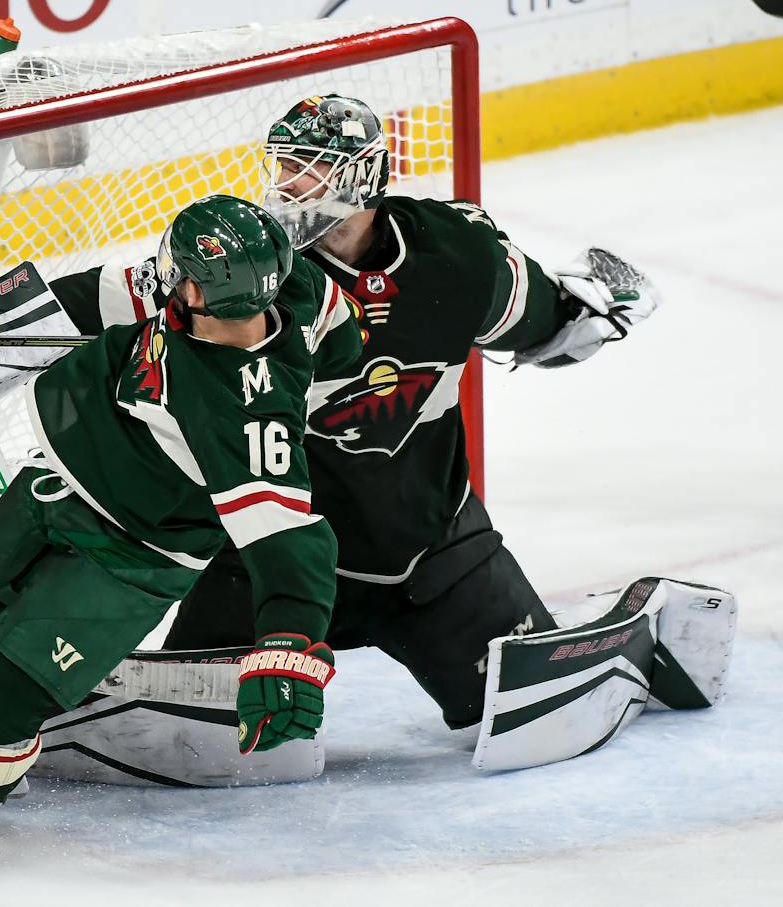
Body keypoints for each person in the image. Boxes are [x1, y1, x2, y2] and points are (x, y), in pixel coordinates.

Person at [49, 94, 659, 742]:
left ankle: (633, 629)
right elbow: (113, 294)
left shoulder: (462, 253)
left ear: (361, 173)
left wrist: (588, 315)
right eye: (282, 165)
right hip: (276, 559)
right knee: (195, 735)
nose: (286, 183)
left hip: (432, 554)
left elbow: (543, 323)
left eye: (305, 166)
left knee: (539, 710)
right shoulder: (251, 260)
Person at [0, 194, 363, 888]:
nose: (162, 272)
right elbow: (93, 297)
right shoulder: (290, 287)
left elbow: (290, 540)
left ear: (197, 290)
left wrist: (291, 645)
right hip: (60, 483)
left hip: (134, 556)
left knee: (5, 694)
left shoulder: (250, 416)